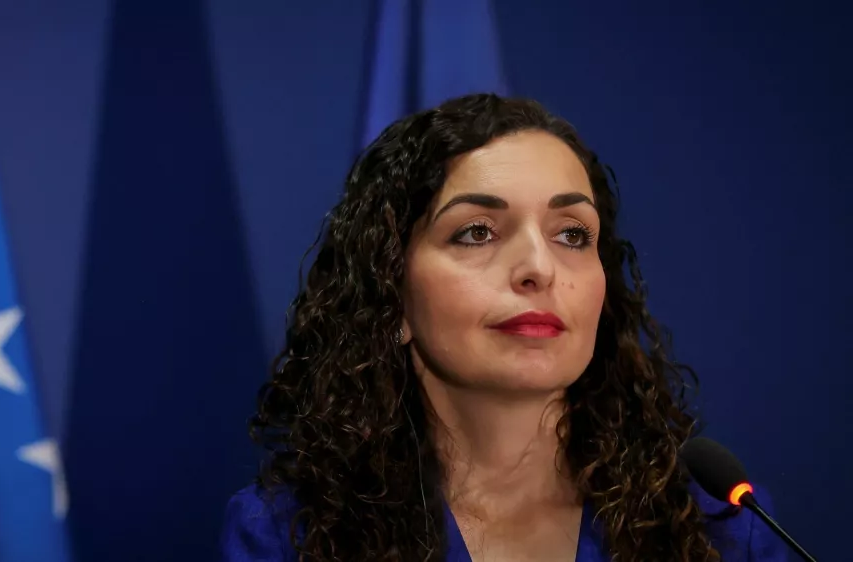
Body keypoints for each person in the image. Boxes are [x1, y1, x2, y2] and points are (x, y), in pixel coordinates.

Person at [220, 94, 786, 561]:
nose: (539, 268)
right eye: (477, 232)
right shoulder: (289, 535)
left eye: (572, 235)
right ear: (390, 294)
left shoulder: (723, 527)